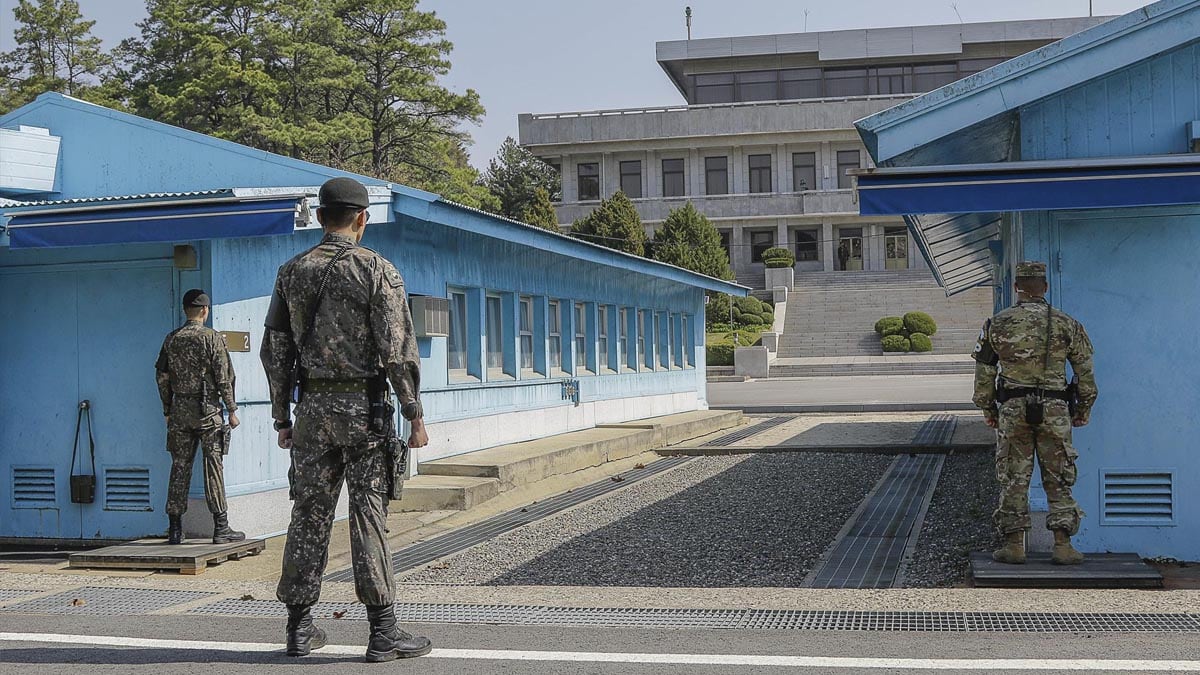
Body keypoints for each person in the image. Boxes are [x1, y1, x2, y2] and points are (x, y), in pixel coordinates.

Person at [261, 177, 432, 662]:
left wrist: (281, 417)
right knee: (368, 515)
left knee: (309, 514)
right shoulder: (377, 270)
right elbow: (397, 351)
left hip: (311, 413)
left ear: (319, 218)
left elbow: (275, 352)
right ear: (362, 219)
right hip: (365, 412)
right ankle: (383, 632)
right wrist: (414, 413)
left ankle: (298, 627)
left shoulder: (290, 273)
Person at [972, 261, 1098, 566]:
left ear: (1016, 288)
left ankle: (1014, 545)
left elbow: (985, 372)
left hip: (1013, 410)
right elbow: (1085, 374)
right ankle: (1063, 544)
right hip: (1055, 409)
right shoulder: (1068, 323)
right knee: (1058, 475)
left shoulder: (996, 324)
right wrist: (1082, 410)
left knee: (1014, 476)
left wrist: (989, 409)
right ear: (1045, 287)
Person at [155, 289, 244, 546]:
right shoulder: (212, 338)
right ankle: (221, 528)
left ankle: (174, 529)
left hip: (180, 412)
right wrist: (232, 410)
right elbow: (224, 376)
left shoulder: (171, 339)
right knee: (213, 467)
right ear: (205, 310)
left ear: (185, 310)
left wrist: (168, 410)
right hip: (208, 412)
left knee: (179, 467)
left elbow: (161, 376)